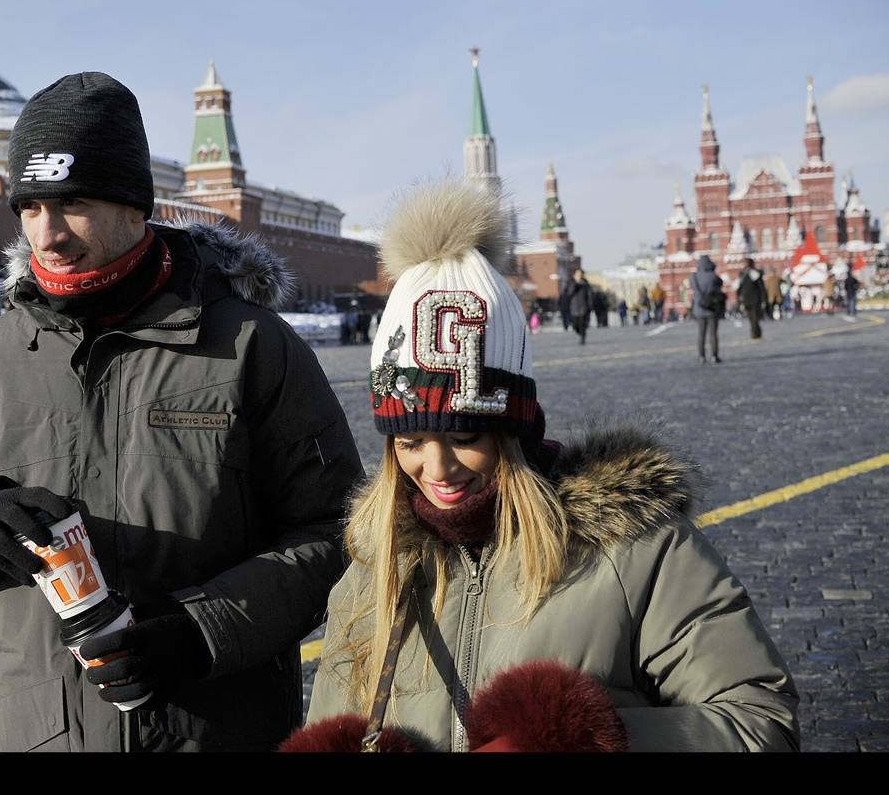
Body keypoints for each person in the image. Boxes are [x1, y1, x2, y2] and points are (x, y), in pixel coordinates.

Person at [0, 72, 364, 752]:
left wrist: (204, 629)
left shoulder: (251, 345)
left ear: (136, 206)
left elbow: (341, 532)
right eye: (29, 207)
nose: (48, 235)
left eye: (73, 202)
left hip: (215, 729)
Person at [279, 182, 799, 752]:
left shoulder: (633, 550)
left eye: (466, 435)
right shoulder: (374, 563)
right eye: (410, 441)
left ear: (514, 428)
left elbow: (759, 722)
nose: (437, 467)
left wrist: (591, 740)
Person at [690, 255, 725, 364]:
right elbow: (720, 283)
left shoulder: (694, 277)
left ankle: (701, 356)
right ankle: (714, 356)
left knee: (701, 334)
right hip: (711, 308)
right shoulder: (713, 276)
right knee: (713, 334)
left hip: (699, 308)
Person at [560, 268, 594, 345]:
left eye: (580, 274)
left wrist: (590, 306)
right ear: (574, 275)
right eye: (577, 274)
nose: (579, 276)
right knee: (575, 325)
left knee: (582, 324)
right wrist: (575, 283)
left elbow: (590, 295)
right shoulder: (571, 283)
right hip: (574, 308)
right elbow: (569, 293)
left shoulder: (586, 284)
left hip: (584, 307)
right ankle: (581, 334)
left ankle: (582, 337)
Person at [736, 258, 767, 340]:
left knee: (755, 317)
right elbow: (740, 287)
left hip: (755, 298)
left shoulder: (755, 273)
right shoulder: (742, 274)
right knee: (751, 317)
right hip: (746, 299)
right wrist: (739, 298)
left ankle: (754, 333)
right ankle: (756, 331)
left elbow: (761, 287)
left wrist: (763, 298)